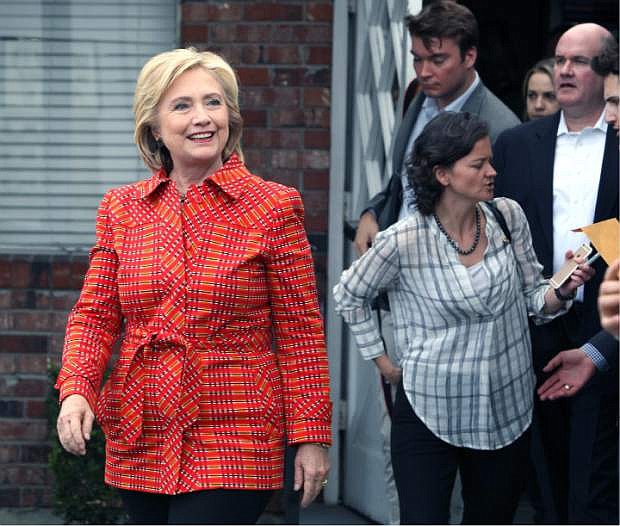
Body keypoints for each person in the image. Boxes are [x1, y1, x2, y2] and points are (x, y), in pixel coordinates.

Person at [54, 48, 331, 525]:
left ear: (231, 117)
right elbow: (95, 314)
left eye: (214, 103)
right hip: (142, 427)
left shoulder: (273, 206)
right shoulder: (121, 209)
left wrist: (311, 435)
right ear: (154, 126)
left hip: (237, 426)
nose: (202, 118)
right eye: (182, 106)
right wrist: (78, 389)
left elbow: (300, 332)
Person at [334, 112, 593, 525]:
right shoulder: (404, 239)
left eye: (489, 161)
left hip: (504, 409)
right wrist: (382, 362)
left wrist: (560, 290)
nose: (492, 172)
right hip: (428, 408)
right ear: (443, 174)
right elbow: (349, 295)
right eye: (478, 164)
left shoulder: (507, 216)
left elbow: (533, 298)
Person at [352, 4, 520, 519]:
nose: (424, 71)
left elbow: (493, 229)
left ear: (470, 56)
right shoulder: (415, 98)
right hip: (398, 295)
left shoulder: (501, 128)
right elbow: (401, 183)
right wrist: (370, 212)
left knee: (453, 449)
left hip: (454, 316)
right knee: (402, 440)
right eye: (417, 58)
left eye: (437, 59)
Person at [494, 24, 619, 524]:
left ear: (607, 73)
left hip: (607, 325)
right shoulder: (517, 144)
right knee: (543, 484)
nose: (565, 70)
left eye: (580, 62)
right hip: (535, 326)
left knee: (599, 486)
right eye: (560, 58)